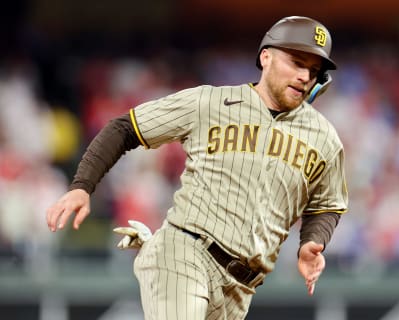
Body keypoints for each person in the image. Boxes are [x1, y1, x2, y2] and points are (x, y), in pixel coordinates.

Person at [46, 16, 348, 320]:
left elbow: (327, 204)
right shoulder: (211, 103)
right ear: (265, 56)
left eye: (313, 71)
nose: (304, 76)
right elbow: (126, 128)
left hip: (241, 288)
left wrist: (313, 241)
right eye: (296, 62)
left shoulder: (324, 138)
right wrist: (82, 186)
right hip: (186, 253)